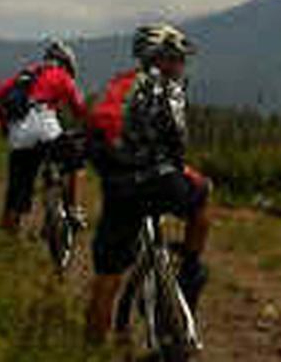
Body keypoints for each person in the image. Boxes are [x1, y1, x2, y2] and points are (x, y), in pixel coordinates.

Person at [85, 22, 211, 345]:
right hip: (159, 182)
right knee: (202, 195)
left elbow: (97, 132)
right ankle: (191, 268)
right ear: (162, 59)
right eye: (178, 59)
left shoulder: (118, 85)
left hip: (119, 188)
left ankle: (91, 347)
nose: (181, 66)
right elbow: (177, 144)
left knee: (108, 274)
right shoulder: (167, 89)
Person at [0, 38, 89, 233]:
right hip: (44, 126)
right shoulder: (61, 75)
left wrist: (5, 126)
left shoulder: (26, 74)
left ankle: (7, 239)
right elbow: (80, 110)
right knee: (75, 161)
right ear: (67, 64)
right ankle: (75, 209)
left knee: (17, 192)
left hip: (18, 134)